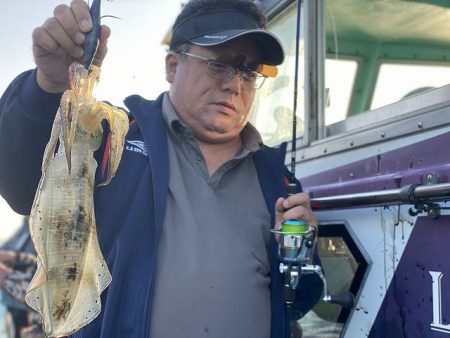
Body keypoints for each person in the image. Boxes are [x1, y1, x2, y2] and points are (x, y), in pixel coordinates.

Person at [0, 0, 323, 337]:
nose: (235, 84)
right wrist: (49, 86)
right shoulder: (114, 137)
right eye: (220, 64)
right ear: (172, 65)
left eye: (249, 70)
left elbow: (296, 300)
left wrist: (304, 252)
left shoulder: (281, 181)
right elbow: (22, 186)